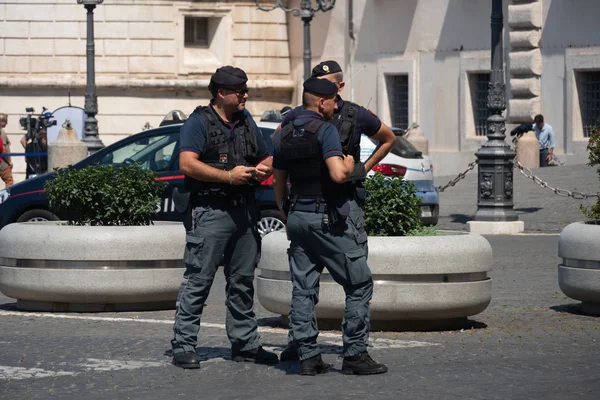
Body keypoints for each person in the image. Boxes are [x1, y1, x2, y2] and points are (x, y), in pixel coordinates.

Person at [277, 60, 396, 361]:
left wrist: (364, 170)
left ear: (339, 87)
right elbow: (337, 174)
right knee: (357, 282)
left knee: (302, 285)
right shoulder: (308, 123)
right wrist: (349, 167)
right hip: (332, 214)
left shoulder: (351, 114)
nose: (326, 88)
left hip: (319, 210)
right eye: (319, 82)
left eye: (330, 82)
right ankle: (354, 354)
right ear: (319, 99)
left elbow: (388, 137)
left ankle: (305, 353)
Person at [170, 65, 279, 369]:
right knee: (199, 281)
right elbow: (187, 164)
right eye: (240, 91)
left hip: (244, 211)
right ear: (221, 93)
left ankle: (245, 344)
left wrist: (263, 168)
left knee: (242, 281)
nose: (246, 95)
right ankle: (183, 344)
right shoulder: (198, 122)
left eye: (246, 90)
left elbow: (267, 154)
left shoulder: (245, 121)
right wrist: (227, 176)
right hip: (210, 212)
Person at [0, 113, 14, 187]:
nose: (7, 123)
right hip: (3, 163)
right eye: (5, 121)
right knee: (9, 182)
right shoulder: (1, 132)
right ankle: (8, 198)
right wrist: (9, 162)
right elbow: (3, 149)